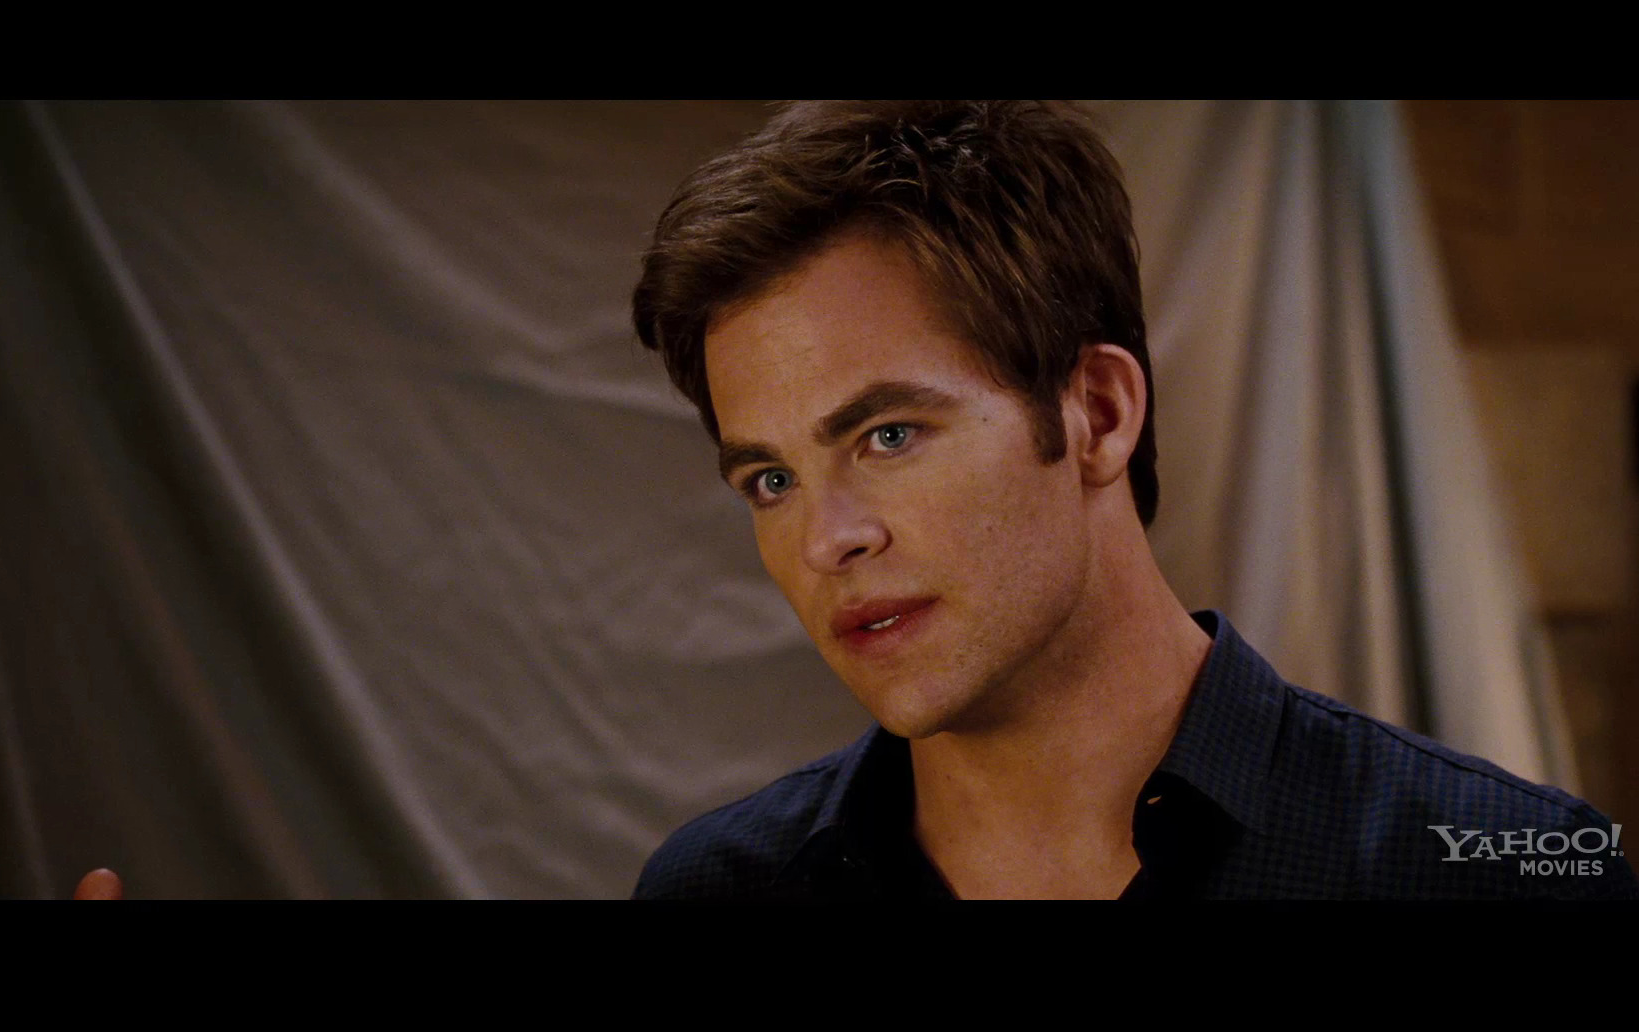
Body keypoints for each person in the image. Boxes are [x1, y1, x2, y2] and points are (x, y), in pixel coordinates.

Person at [626, 99, 1636, 899]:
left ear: (1098, 414)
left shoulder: (1504, 871)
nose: (826, 541)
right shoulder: (718, 888)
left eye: (888, 436)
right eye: (771, 481)